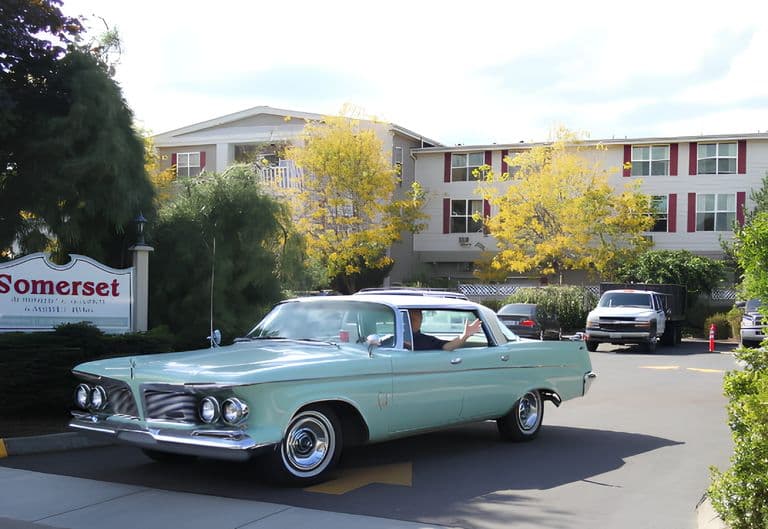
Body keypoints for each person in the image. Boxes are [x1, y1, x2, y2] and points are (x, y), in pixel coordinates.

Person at [407, 309, 483, 351]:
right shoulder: (396, 337)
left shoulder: (424, 340)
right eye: (410, 317)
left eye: (416, 317)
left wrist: (465, 334)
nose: (412, 320)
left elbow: (447, 347)